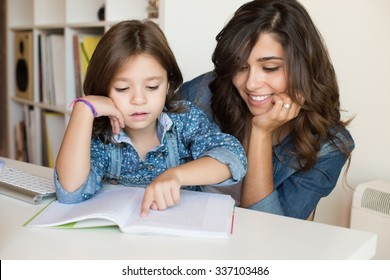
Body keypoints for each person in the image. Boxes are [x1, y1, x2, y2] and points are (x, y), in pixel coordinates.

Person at [179, 0, 355, 220]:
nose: (251, 83)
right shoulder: (202, 95)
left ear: (303, 66)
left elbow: (271, 232)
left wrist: (260, 133)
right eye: (241, 66)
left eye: (270, 68)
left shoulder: (328, 147)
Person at [54, 20, 247, 216]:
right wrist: (83, 109)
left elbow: (233, 158)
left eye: (152, 87)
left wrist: (176, 175)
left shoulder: (184, 119)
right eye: (122, 89)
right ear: (103, 89)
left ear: (168, 84)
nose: (139, 99)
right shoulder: (102, 137)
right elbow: (70, 193)